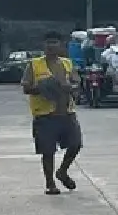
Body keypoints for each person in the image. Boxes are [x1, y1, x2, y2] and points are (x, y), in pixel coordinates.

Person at [23, 31, 83, 196]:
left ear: (60, 45)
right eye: (48, 42)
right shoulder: (34, 65)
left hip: (67, 112)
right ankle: (50, 183)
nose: (51, 46)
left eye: (55, 42)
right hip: (45, 115)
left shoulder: (67, 64)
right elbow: (26, 87)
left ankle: (62, 171)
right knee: (47, 151)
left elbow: (77, 82)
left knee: (75, 144)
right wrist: (44, 87)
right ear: (44, 45)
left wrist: (71, 87)